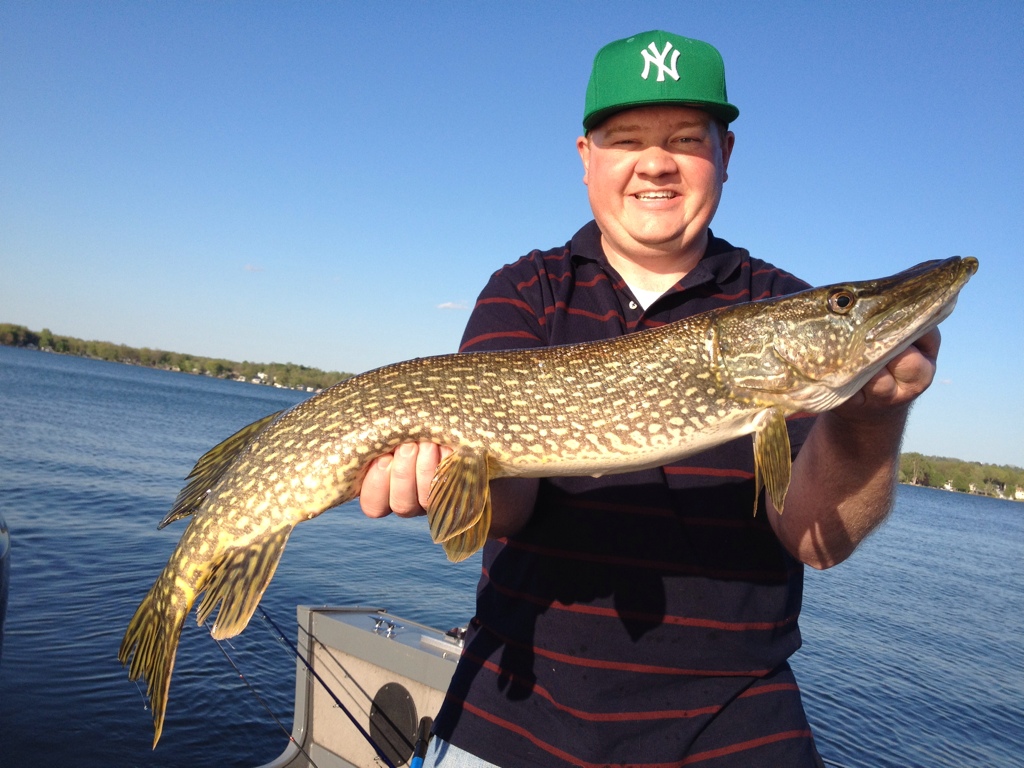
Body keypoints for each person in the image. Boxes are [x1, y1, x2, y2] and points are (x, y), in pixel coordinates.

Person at [359, 30, 940, 767]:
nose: (657, 162)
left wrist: (870, 414)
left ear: (726, 153)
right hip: (513, 722)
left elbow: (817, 542)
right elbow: (506, 508)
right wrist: (444, 481)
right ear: (586, 157)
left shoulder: (776, 300)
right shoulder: (527, 290)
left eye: (687, 139)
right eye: (627, 138)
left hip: (736, 735)